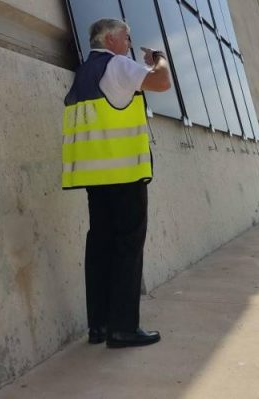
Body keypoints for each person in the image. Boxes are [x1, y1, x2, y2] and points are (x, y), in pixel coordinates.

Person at [61, 18, 171, 348]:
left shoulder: (83, 73)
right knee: (127, 248)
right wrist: (159, 59)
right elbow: (161, 82)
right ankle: (123, 328)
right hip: (124, 174)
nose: (129, 42)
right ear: (110, 39)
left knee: (100, 247)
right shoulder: (119, 65)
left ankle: (99, 325)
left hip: (96, 177)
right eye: (126, 37)